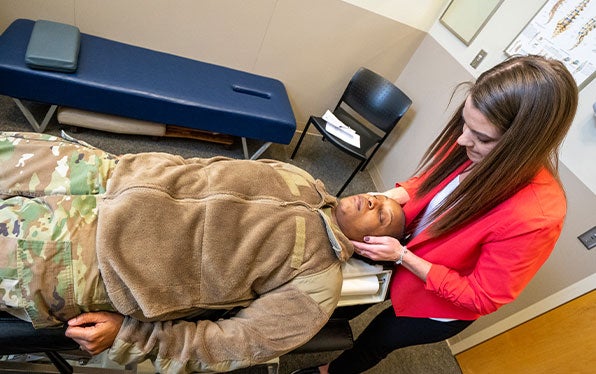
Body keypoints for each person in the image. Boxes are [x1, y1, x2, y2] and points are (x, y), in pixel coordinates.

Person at [0, 130, 405, 373]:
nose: (372, 200)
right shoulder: (297, 176)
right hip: (96, 171)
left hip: (85, 258)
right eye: (377, 196)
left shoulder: (318, 283)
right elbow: (203, 166)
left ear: (373, 247)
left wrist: (130, 335)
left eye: (383, 215)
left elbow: (238, 342)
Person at [291, 54, 579, 374]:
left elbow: (480, 296)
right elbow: (427, 184)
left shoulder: (537, 217)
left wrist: (404, 257)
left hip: (438, 303)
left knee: (378, 339)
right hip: (402, 254)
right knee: (349, 297)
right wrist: (390, 196)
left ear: (521, 145)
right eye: (465, 124)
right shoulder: (469, 140)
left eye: (481, 138)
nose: (461, 140)